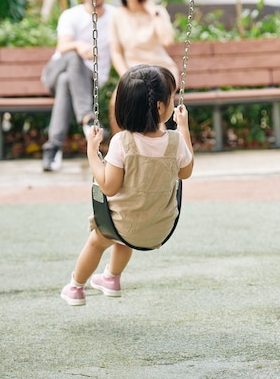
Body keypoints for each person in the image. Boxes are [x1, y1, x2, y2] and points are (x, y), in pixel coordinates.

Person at [60, 64, 194, 306]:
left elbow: (109, 187)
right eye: (171, 98)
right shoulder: (175, 141)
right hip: (159, 227)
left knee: (100, 239)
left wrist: (92, 152)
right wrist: (183, 128)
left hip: (124, 225)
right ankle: (111, 277)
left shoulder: (122, 142)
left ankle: (76, 287)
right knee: (126, 232)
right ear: (161, 107)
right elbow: (186, 172)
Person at [41, 0, 113, 172]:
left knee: (68, 81)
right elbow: (64, 47)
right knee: (72, 58)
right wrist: (79, 47)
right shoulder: (70, 15)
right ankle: (88, 118)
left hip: (89, 79)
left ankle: (53, 148)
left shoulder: (115, 16)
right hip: (54, 72)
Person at [109, 0, 179, 133]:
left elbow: (167, 40)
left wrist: (154, 13)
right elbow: (116, 52)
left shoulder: (156, 12)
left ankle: (158, 153)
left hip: (160, 70)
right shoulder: (117, 16)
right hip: (133, 73)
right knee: (115, 103)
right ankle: (120, 151)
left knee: (154, 106)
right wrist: (126, 76)